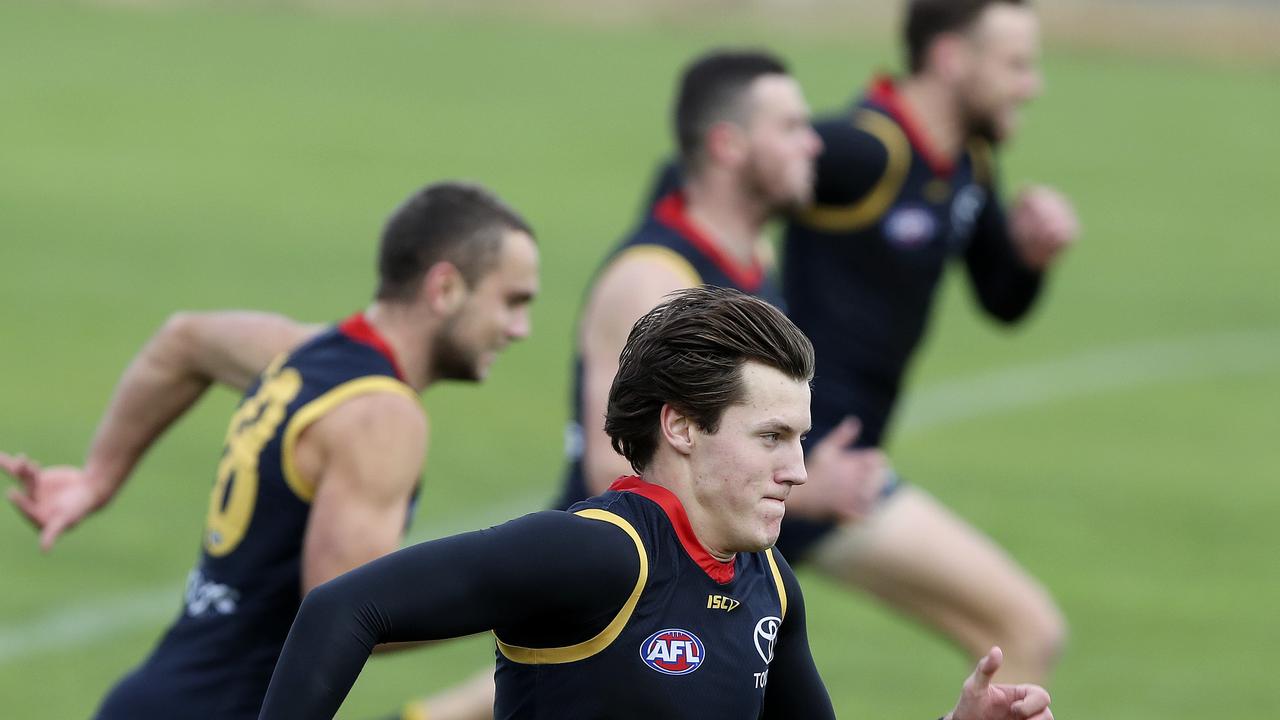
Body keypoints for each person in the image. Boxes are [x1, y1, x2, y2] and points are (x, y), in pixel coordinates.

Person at [257, 286, 1055, 720]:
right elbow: (343, 609)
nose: (799, 470)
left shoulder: (768, 586)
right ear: (681, 427)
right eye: (772, 437)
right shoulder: (600, 555)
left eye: (800, 439)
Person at [393, 48, 888, 720]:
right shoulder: (653, 277)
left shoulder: (751, 258)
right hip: (623, 562)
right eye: (793, 126)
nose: (815, 145)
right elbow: (615, 460)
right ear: (727, 144)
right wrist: (807, 494)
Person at [0, 181, 539, 719]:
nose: (521, 329)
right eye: (512, 302)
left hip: (155, 694)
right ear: (444, 289)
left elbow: (183, 341)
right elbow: (347, 612)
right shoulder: (383, 416)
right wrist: (516, 599)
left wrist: (99, 476)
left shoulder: (305, 354)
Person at [778, 0, 1077, 684]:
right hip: (806, 463)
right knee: (1027, 629)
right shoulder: (867, 150)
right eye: (1015, 65)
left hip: (834, 468)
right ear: (950, 59)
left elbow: (1001, 298)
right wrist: (664, 258)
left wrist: (1031, 258)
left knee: (592, 669)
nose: (1031, 85)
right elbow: (722, 169)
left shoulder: (968, 157)